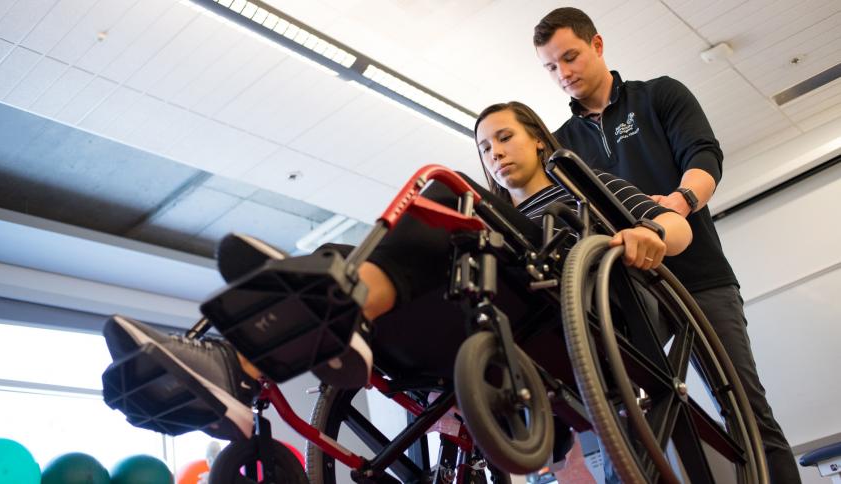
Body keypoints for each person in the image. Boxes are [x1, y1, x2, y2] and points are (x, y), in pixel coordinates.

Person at [102, 101, 691, 442]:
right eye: (485, 147)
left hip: (589, 307)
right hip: (491, 304)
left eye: (505, 138)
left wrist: (646, 234)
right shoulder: (490, 216)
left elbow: (679, 229)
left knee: (439, 206)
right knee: (358, 246)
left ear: (538, 139)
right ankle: (237, 370)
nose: (495, 154)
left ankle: (323, 308)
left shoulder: (585, 190)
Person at [531, 7, 799, 483]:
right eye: (551, 67)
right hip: (632, 293)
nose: (563, 73)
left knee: (746, 412)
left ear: (597, 46)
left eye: (570, 57)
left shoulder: (658, 95)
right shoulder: (561, 146)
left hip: (699, 278)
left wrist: (678, 202)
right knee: (630, 421)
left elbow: (702, 155)